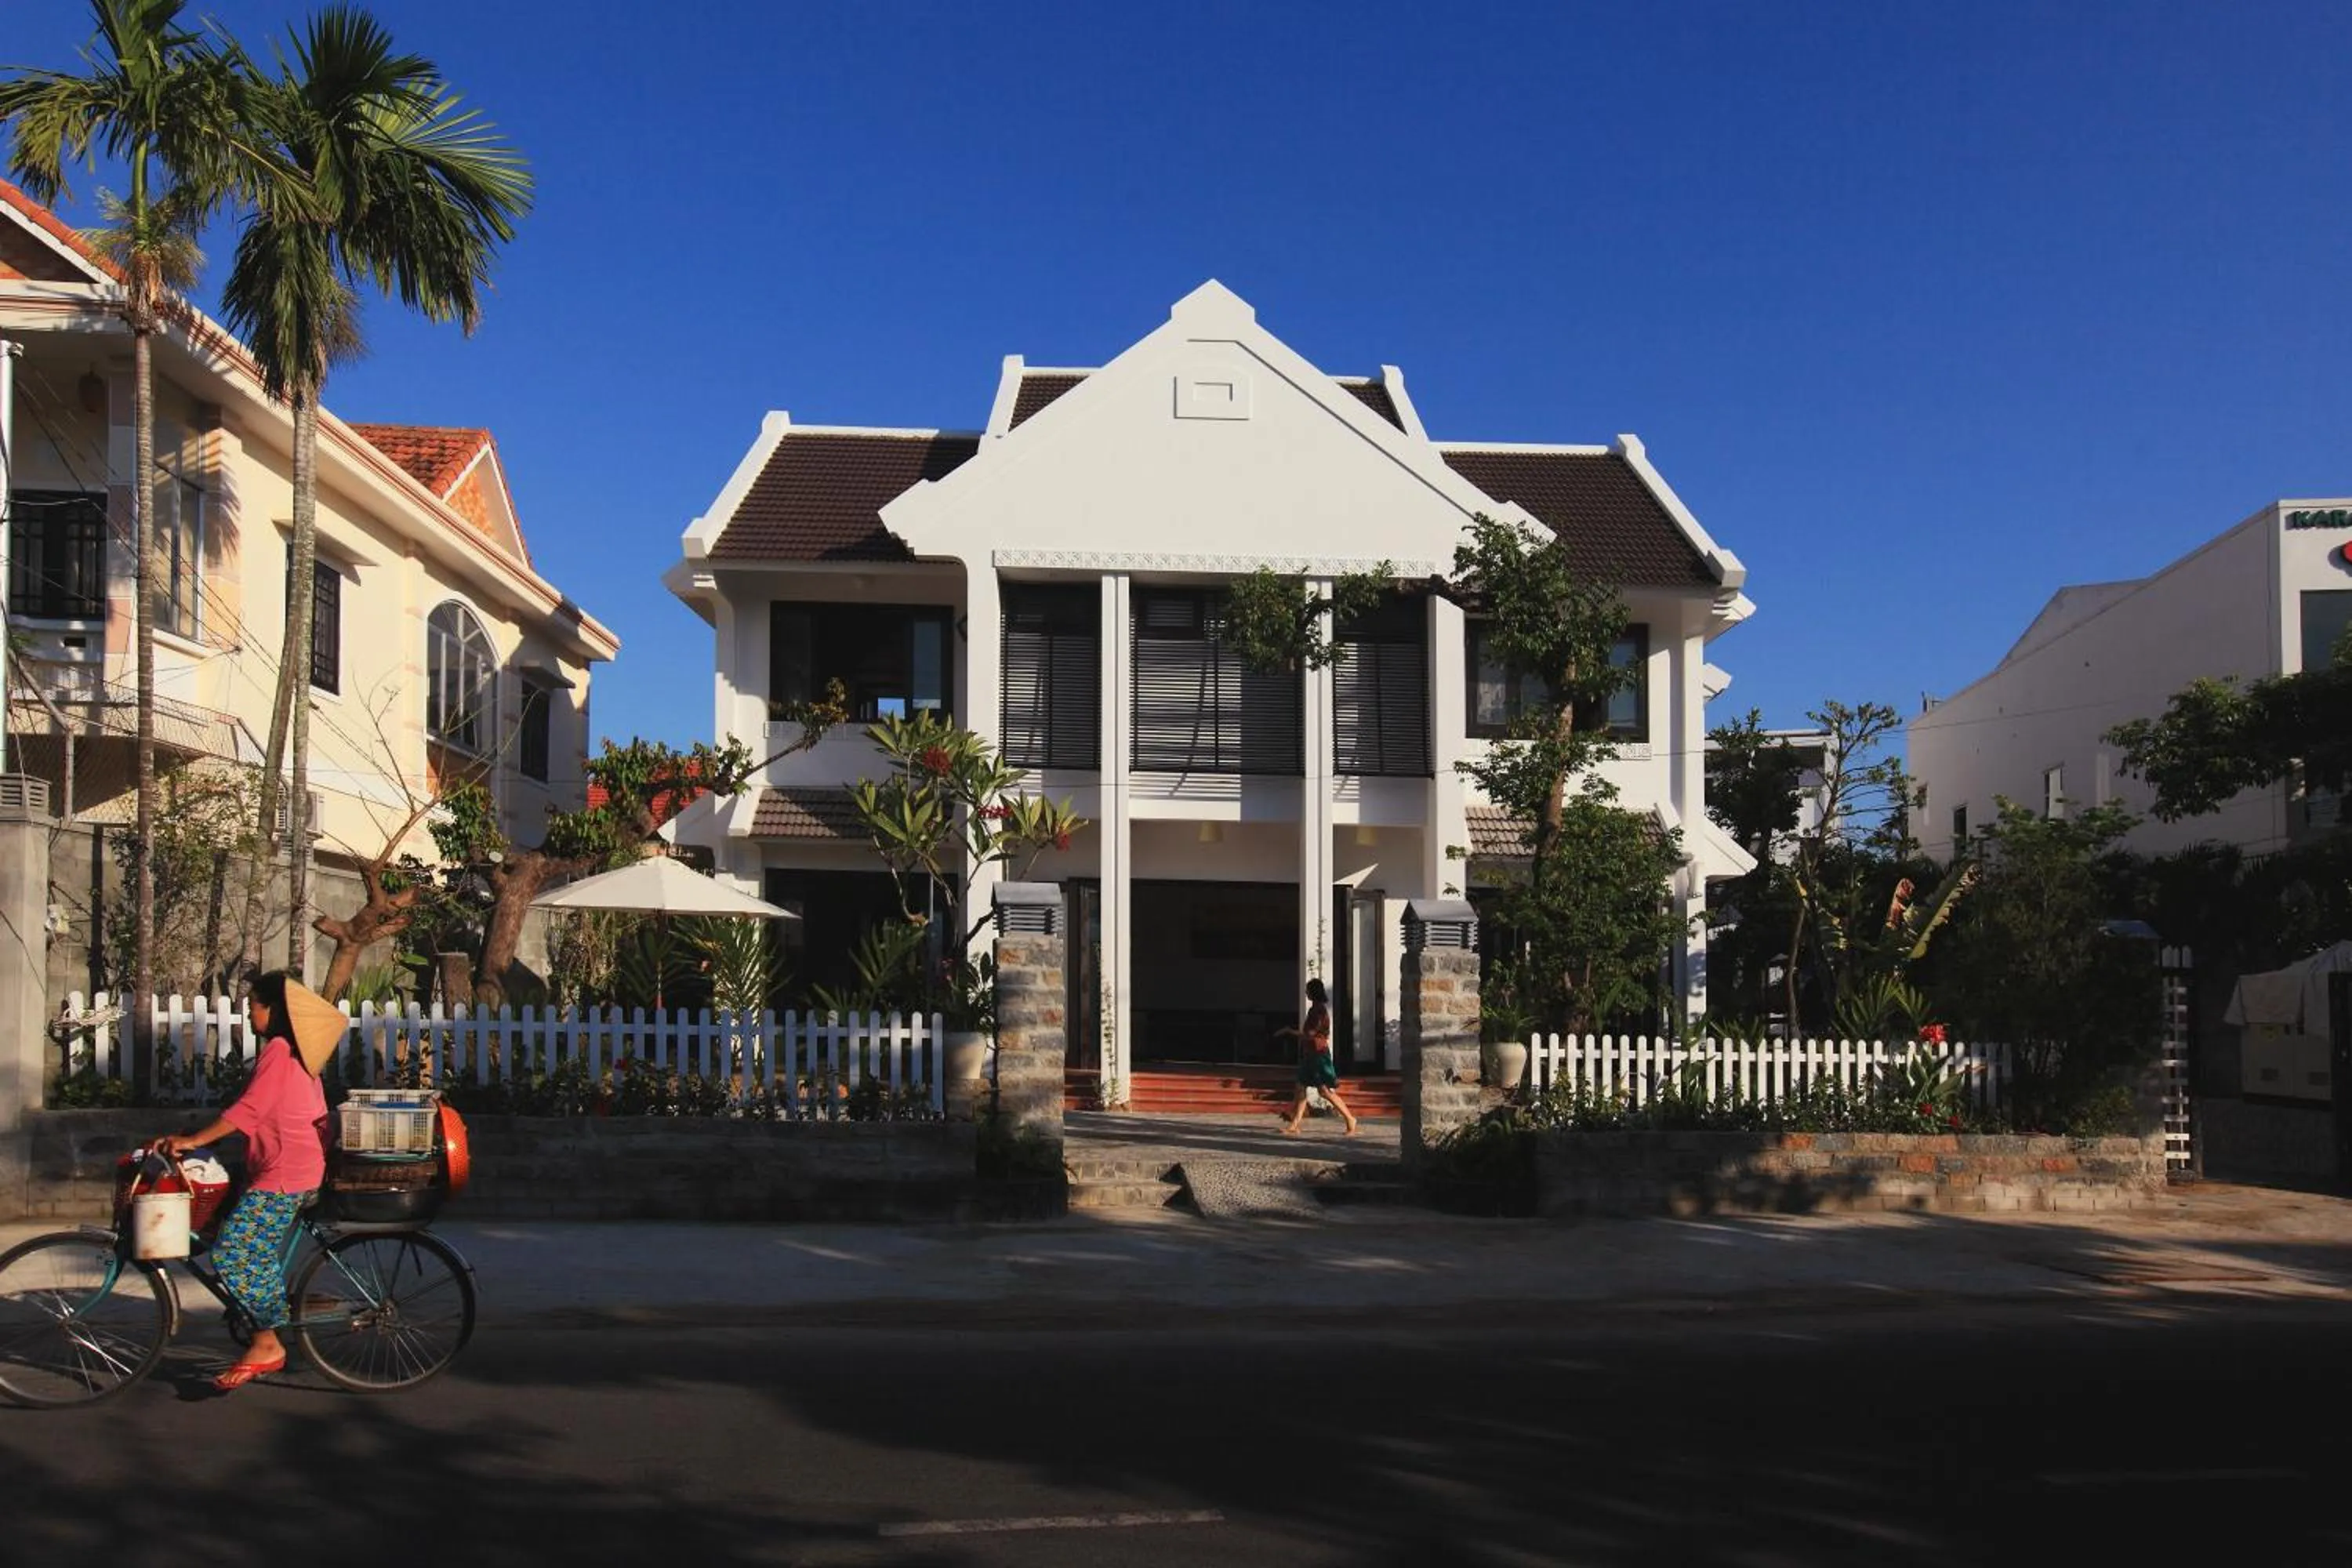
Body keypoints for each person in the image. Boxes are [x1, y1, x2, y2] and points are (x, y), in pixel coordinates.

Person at [158, 971, 338, 1392]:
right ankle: (261, 1308)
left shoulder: (280, 1050)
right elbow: (255, 1109)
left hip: (286, 1173)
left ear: (272, 1011)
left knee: (232, 1253)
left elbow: (249, 1112)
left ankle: (266, 1343)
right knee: (235, 1234)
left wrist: (194, 1141)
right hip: (284, 1166)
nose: (249, 1012)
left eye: (254, 1005)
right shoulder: (295, 1053)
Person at [1274, 978, 1358, 1136]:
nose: (1306, 992)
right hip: (1311, 1054)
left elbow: (1310, 1034)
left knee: (1324, 1091)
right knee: (1301, 1087)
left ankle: (1350, 1118)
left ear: (1313, 992)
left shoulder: (1318, 1011)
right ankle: (1294, 1124)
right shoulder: (1315, 1009)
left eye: (1308, 990)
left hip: (1318, 1054)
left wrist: (1290, 1031)